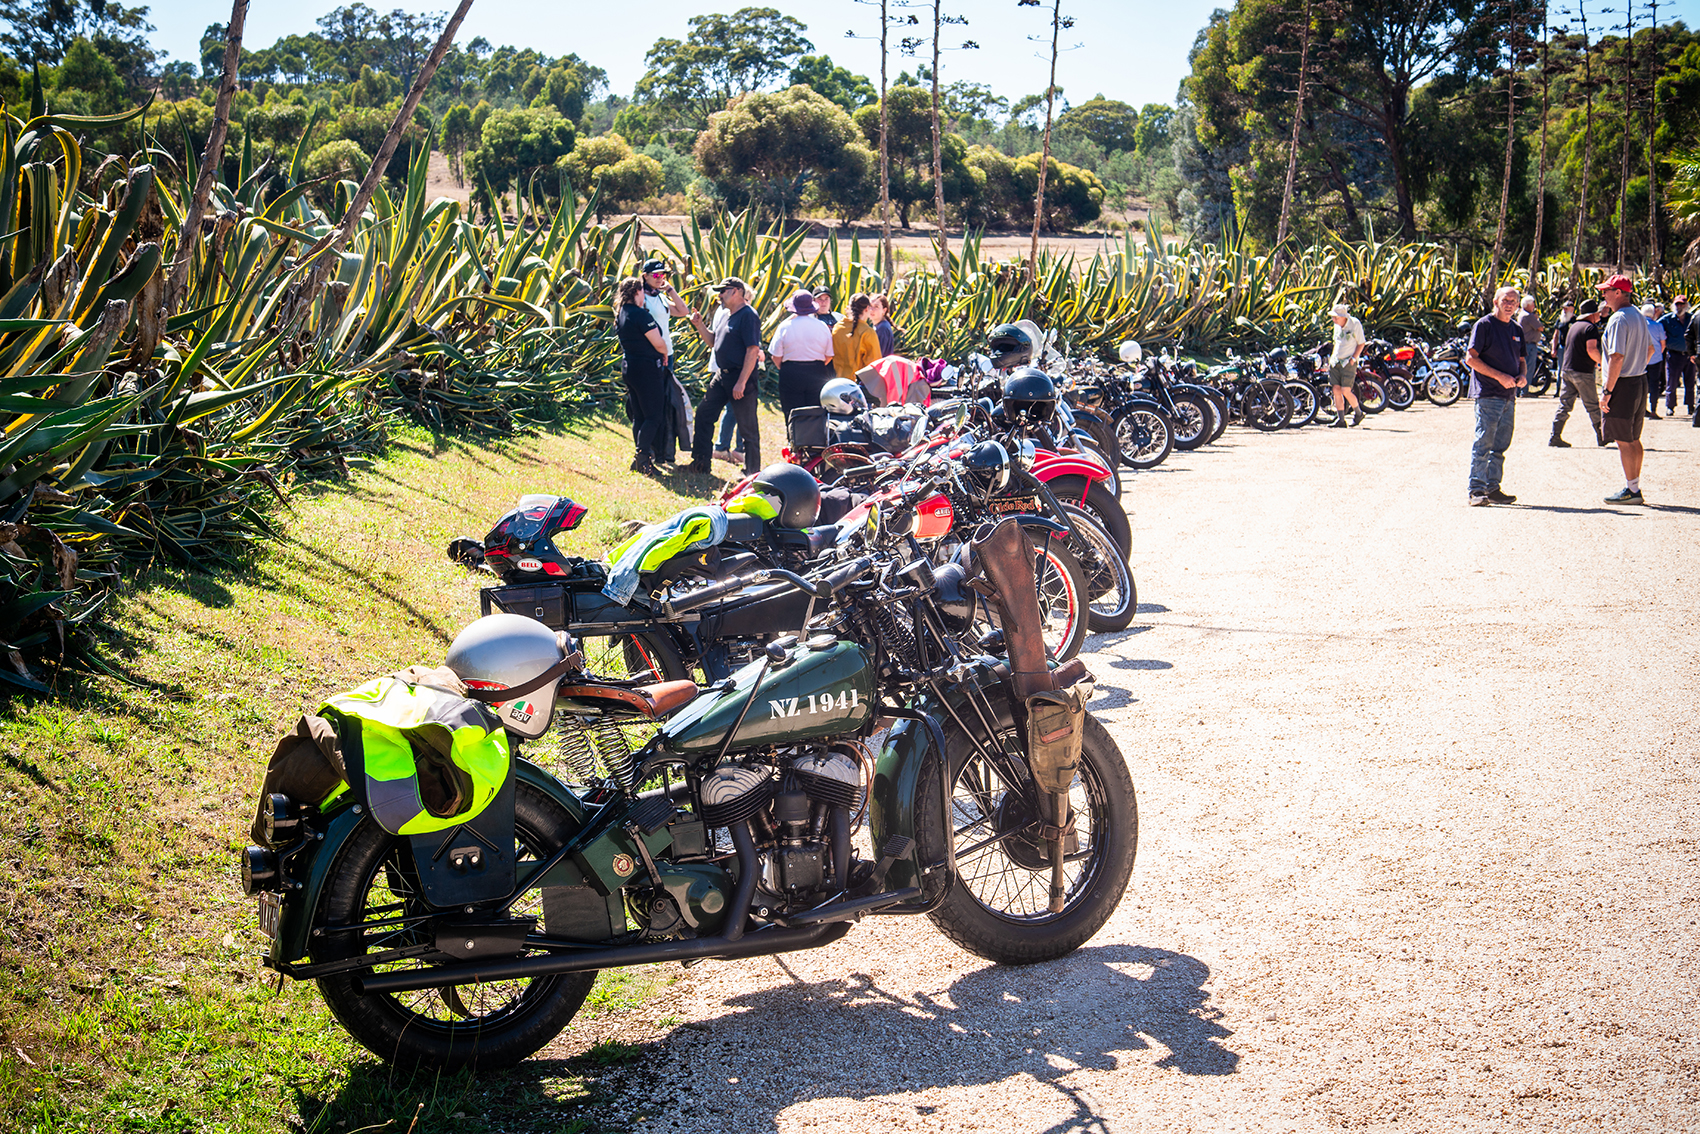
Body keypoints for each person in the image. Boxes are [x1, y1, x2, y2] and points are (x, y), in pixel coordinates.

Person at [686, 277, 763, 476]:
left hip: (740, 376)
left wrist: (742, 382)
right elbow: (713, 342)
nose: (719, 295)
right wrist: (699, 326)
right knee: (704, 414)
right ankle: (700, 463)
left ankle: (752, 474)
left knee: (748, 429)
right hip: (722, 376)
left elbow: (752, 350)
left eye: (723, 291)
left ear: (736, 291)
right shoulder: (727, 315)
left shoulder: (748, 315)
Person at [1465, 285, 1527, 506]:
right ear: (1496, 302)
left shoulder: (1517, 329)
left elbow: (1521, 360)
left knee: (1500, 445)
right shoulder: (1484, 326)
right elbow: (1471, 359)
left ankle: (1493, 488)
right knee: (1484, 443)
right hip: (1488, 393)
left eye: (1513, 301)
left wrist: (1522, 376)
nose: (1509, 304)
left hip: (1509, 395)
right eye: (1505, 300)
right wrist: (1500, 376)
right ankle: (1476, 491)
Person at [1597, 275, 1654, 504]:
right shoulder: (1638, 315)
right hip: (1639, 379)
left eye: (1607, 290)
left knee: (1624, 440)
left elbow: (1617, 356)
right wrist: (1637, 364)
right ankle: (1634, 486)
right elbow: (1650, 349)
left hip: (1623, 383)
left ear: (1618, 292)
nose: (1604, 295)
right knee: (1633, 438)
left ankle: (1632, 491)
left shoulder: (1619, 318)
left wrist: (1607, 391)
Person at [614, 276, 671, 476]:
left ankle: (639, 457)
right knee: (654, 415)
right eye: (642, 292)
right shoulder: (640, 315)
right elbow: (658, 342)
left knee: (639, 415)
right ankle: (643, 456)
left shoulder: (621, 313)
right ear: (636, 292)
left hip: (630, 366)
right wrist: (664, 352)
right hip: (647, 369)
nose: (644, 297)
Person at [771, 288, 836, 418]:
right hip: (816, 372)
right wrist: (816, 365)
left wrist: (785, 367)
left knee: (792, 412)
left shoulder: (785, 326)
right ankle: (814, 437)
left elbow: (775, 355)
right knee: (815, 411)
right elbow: (829, 355)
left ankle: (793, 437)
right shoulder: (821, 326)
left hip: (791, 371)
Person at [1550, 298, 1605, 448]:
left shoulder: (1574, 326)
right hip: (1582, 371)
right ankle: (1602, 436)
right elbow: (1591, 349)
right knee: (1592, 404)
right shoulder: (1590, 328)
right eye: (1598, 313)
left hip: (1568, 370)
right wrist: (1601, 362)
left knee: (1565, 404)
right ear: (1592, 314)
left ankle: (1555, 435)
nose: (1599, 315)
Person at [1327, 302, 1366, 427]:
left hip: (1348, 362)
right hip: (1336, 361)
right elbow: (1336, 341)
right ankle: (1341, 419)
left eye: (1336, 317)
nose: (1334, 319)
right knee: (1336, 390)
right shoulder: (1337, 326)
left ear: (1344, 317)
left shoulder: (1355, 324)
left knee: (1346, 390)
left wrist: (1354, 359)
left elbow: (1361, 343)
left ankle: (1358, 413)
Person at [830, 293, 882, 381]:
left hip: (836, 381)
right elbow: (875, 363)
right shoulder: (867, 332)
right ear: (867, 309)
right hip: (857, 385)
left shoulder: (837, 327)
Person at [1659, 296, 1692, 415]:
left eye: (1682, 304)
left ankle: (1690, 406)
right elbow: (1656, 328)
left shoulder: (1691, 318)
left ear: (1686, 305)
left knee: (1690, 382)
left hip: (1690, 355)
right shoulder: (1667, 319)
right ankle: (1670, 407)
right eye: (1677, 304)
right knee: (1671, 382)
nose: (1679, 307)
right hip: (1674, 355)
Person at [1641, 302, 1666, 419]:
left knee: (1642, 385)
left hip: (1641, 360)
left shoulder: (1639, 325)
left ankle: (1642, 409)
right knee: (1655, 384)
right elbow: (1663, 343)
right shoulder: (1658, 325)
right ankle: (1653, 409)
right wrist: (1658, 354)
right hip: (1655, 359)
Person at [1518, 296, 1545, 396]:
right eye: (1533, 304)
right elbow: (1540, 328)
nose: (1534, 306)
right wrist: (1536, 319)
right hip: (1529, 345)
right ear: (1528, 305)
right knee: (1528, 367)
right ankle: (1524, 390)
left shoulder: (1521, 314)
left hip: (1523, 344)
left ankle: (1519, 390)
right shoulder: (1528, 316)